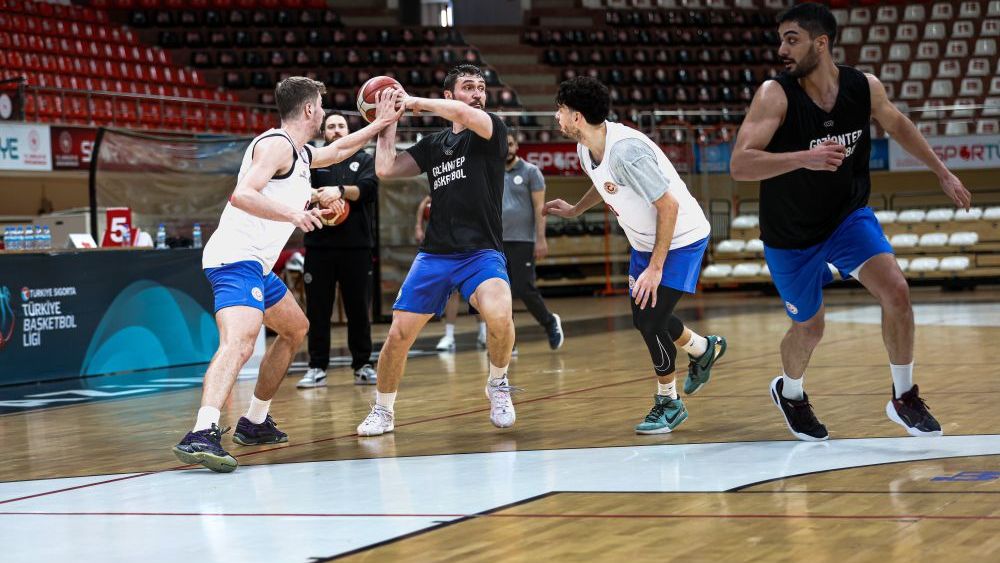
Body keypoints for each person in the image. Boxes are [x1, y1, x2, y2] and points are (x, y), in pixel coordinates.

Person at [730, 3, 972, 441]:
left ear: (821, 43)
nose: (782, 48)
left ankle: (904, 396)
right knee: (810, 328)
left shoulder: (863, 87)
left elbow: (898, 125)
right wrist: (807, 157)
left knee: (897, 290)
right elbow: (740, 165)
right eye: (781, 38)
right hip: (792, 234)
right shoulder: (775, 94)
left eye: (792, 39)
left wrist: (942, 171)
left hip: (847, 217)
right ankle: (792, 392)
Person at [172, 77, 401, 472]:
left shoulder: (301, 154)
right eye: (322, 108)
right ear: (310, 109)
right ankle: (201, 432)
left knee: (296, 329)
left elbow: (338, 149)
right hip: (234, 259)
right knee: (240, 343)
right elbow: (242, 194)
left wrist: (380, 124)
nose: (325, 114)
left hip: (256, 266)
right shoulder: (275, 144)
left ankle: (256, 420)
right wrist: (295, 214)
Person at [545, 77, 727, 434]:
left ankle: (669, 402)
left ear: (577, 117)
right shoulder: (587, 147)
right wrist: (575, 211)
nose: (557, 116)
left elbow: (668, 206)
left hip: (681, 239)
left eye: (561, 110)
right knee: (647, 318)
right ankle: (703, 349)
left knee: (650, 322)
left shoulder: (626, 150)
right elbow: (606, 185)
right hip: (646, 243)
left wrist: (656, 268)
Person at [357, 64, 516, 436]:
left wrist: (407, 101)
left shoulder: (490, 129)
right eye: (467, 87)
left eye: (481, 87)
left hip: (481, 252)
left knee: (500, 314)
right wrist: (387, 120)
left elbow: (463, 115)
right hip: (436, 254)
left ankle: (497, 383)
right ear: (448, 95)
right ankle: (383, 410)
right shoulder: (434, 145)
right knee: (398, 336)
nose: (477, 92)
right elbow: (385, 169)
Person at [297, 111, 379, 388]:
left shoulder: (364, 159)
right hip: (318, 247)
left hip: (356, 247)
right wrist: (319, 194)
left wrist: (341, 191)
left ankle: (363, 365)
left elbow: (369, 189)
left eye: (341, 126)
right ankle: (317, 366)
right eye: (330, 126)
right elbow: (298, 192)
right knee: (318, 310)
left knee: (358, 309)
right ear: (324, 132)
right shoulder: (312, 162)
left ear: (349, 130)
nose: (336, 130)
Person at [502, 132, 564, 350]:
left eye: (510, 144)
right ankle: (509, 341)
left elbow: (540, 208)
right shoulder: (492, 172)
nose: (507, 148)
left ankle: (549, 322)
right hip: (496, 242)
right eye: (503, 144)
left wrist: (540, 239)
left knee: (524, 287)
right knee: (500, 292)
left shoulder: (530, 172)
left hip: (523, 240)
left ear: (517, 146)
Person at [414, 195, 487, 352]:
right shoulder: (442, 183)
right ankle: (449, 336)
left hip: (471, 245)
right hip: (448, 246)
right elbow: (424, 202)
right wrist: (418, 227)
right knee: (452, 293)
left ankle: (483, 332)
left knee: (476, 292)